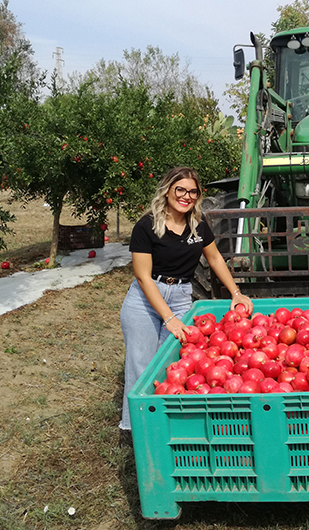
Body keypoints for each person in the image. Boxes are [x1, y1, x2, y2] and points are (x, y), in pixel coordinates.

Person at [119, 167, 253, 433]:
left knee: (173, 363)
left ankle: (165, 426)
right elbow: (144, 278)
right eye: (180, 189)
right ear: (168, 190)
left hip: (180, 295)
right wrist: (169, 319)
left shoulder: (198, 225)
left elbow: (214, 258)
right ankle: (133, 428)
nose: (186, 196)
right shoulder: (146, 226)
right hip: (146, 298)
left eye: (192, 191)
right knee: (141, 363)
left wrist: (236, 292)